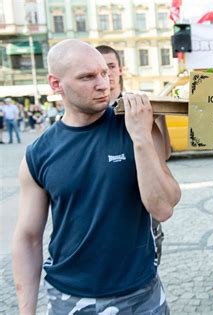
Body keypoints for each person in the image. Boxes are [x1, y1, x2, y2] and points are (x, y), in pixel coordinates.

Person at [12, 39, 181, 314]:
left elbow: (163, 207)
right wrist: (26, 310)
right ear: (56, 85)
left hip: (140, 295)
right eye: (88, 77)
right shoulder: (38, 153)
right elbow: (28, 237)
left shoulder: (134, 125)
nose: (103, 84)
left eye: (104, 72)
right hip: (69, 297)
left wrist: (140, 136)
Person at [96, 44, 170, 266]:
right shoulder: (84, 114)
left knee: (148, 273)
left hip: (145, 214)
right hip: (105, 216)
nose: (106, 74)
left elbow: (164, 155)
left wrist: (157, 120)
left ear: (120, 70)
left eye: (110, 66)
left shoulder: (141, 107)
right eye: (99, 68)